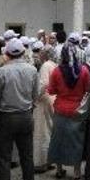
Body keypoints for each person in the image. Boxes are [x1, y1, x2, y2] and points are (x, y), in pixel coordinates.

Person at [0, 38, 40, 180]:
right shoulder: (32, 70)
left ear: (7, 54)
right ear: (23, 52)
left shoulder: (2, 71)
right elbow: (36, 95)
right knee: (27, 157)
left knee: (4, 159)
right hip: (26, 116)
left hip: (6, 117)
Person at [47, 44, 90, 180]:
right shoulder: (84, 71)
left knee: (58, 140)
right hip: (77, 111)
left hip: (60, 109)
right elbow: (88, 89)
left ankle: (59, 170)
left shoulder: (56, 71)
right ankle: (77, 174)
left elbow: (51, 91)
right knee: (76, 142)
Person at [33, 43, 57, 173]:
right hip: (52, 98)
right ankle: (49, 160)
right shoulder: (53, 65)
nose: (39, 54)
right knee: (49, 130)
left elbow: (43, 83)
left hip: (44, 100)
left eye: (42, 52)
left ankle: (41, 162)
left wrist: (35, 96)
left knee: (41, 132)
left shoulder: (46, 66)